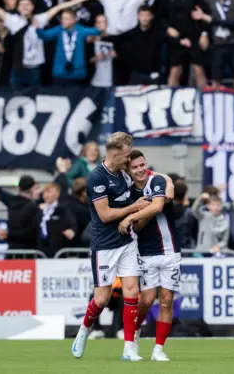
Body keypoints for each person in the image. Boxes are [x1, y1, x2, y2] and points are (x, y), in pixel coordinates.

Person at [71, 132, 149, 361]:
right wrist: (134, 208)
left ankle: (128, 349)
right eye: (126, 156)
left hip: (127, 241)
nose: (129, 160)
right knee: (102, 299)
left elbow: (146, 175)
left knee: (132, 291)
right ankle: (84, 330)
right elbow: (105, 215)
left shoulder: (125, 173)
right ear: (114, 155)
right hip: (104, 245)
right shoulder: (96, 177)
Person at [117, 150, 177, 362]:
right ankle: (134, 335)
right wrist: (134, 217)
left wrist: (132, 217)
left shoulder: (158, 180)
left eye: (142, 165)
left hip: (171, 251)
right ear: (128, 171)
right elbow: (137, 226)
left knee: (166, 301)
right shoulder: (128, 193)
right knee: (147, 300)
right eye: (135, 167)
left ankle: (158, 350)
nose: (140, 169)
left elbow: (158, 205)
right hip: (145, 252)